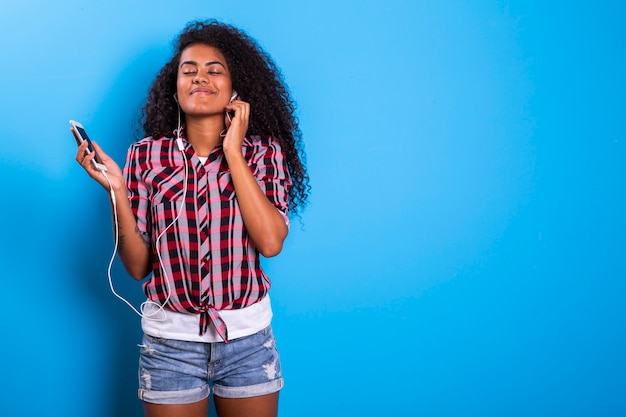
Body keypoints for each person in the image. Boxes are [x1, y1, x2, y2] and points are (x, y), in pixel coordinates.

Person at [74, 19, 309, 417]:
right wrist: (116, 190)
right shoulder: (146, 156)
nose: (200, 78)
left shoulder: (264, 153)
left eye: (214, 70)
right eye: (189, 70)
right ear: (176, 86)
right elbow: (137, 266)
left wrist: (234, 153)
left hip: (248, 343)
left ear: (236, 88)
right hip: (169, 347)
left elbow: (270, 242)